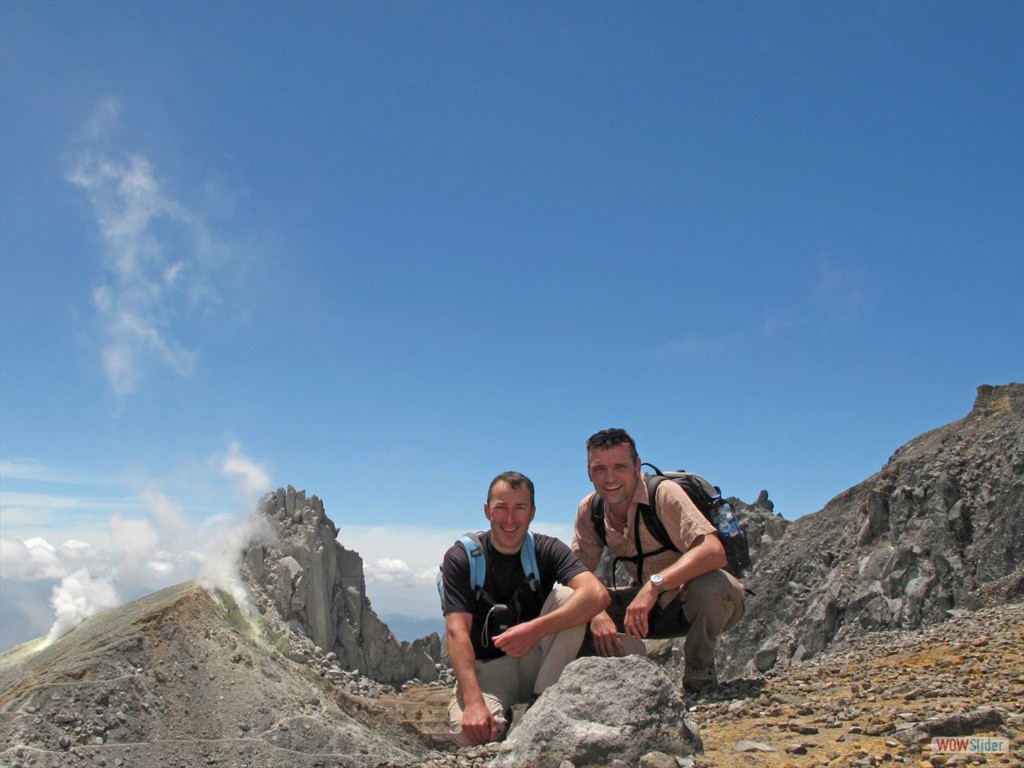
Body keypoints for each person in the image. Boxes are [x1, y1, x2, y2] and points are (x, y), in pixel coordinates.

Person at [440, 470, 611, 747]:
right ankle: (500, 718)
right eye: (501, 508)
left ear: (532, 512)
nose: (510, 519)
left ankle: (541, 706)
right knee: (469, 734)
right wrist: (473, 703)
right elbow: (457, 631)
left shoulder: (547, 549)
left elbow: (596, 593)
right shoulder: (462, 558)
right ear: (487, 511)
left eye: (519, 508)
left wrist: (533, 631)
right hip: (489, 671)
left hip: (540, 660)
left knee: (569, 596)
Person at [570, 428, 745, 693]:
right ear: (588, 472)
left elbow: (712, 550)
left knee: (711, 585)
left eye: (620, 466)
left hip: (700, 604)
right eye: (599, 469)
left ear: (637, 466)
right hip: (646, 611)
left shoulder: (663, 494)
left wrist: (654, 586)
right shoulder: (591, 509)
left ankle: (699, 670)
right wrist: (595, 610)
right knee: (569, 604)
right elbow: (575, 570)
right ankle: (604, 688)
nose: (610, 478)